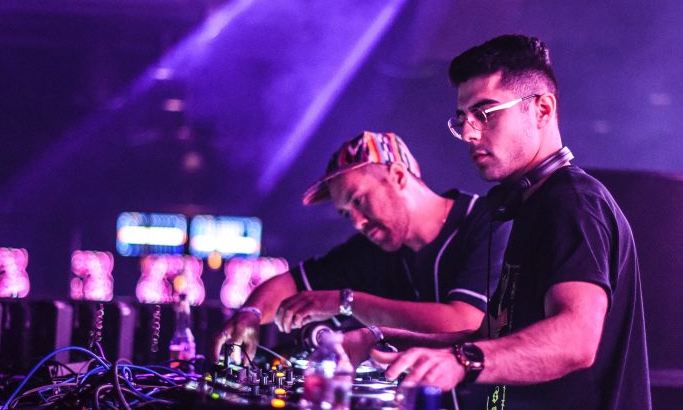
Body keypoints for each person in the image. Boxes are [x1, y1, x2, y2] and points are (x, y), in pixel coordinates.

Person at [369, 35, 667, 410]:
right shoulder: (532, 209)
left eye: (486, 113)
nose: (471, 132)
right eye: (462, 119)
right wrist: (386, 342)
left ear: (542, 109)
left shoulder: (571, 203)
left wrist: (463, 361)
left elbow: (576, 338)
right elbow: (507, 334)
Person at [216, 130, 507, 360]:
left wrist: (346, 302)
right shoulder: (373, 247)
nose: (356, 221)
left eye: (358, 200)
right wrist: (250, 314)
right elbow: (289, 283)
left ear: (397, 176)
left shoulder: (487, 222)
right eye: (346, 213)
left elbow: (464, 325)